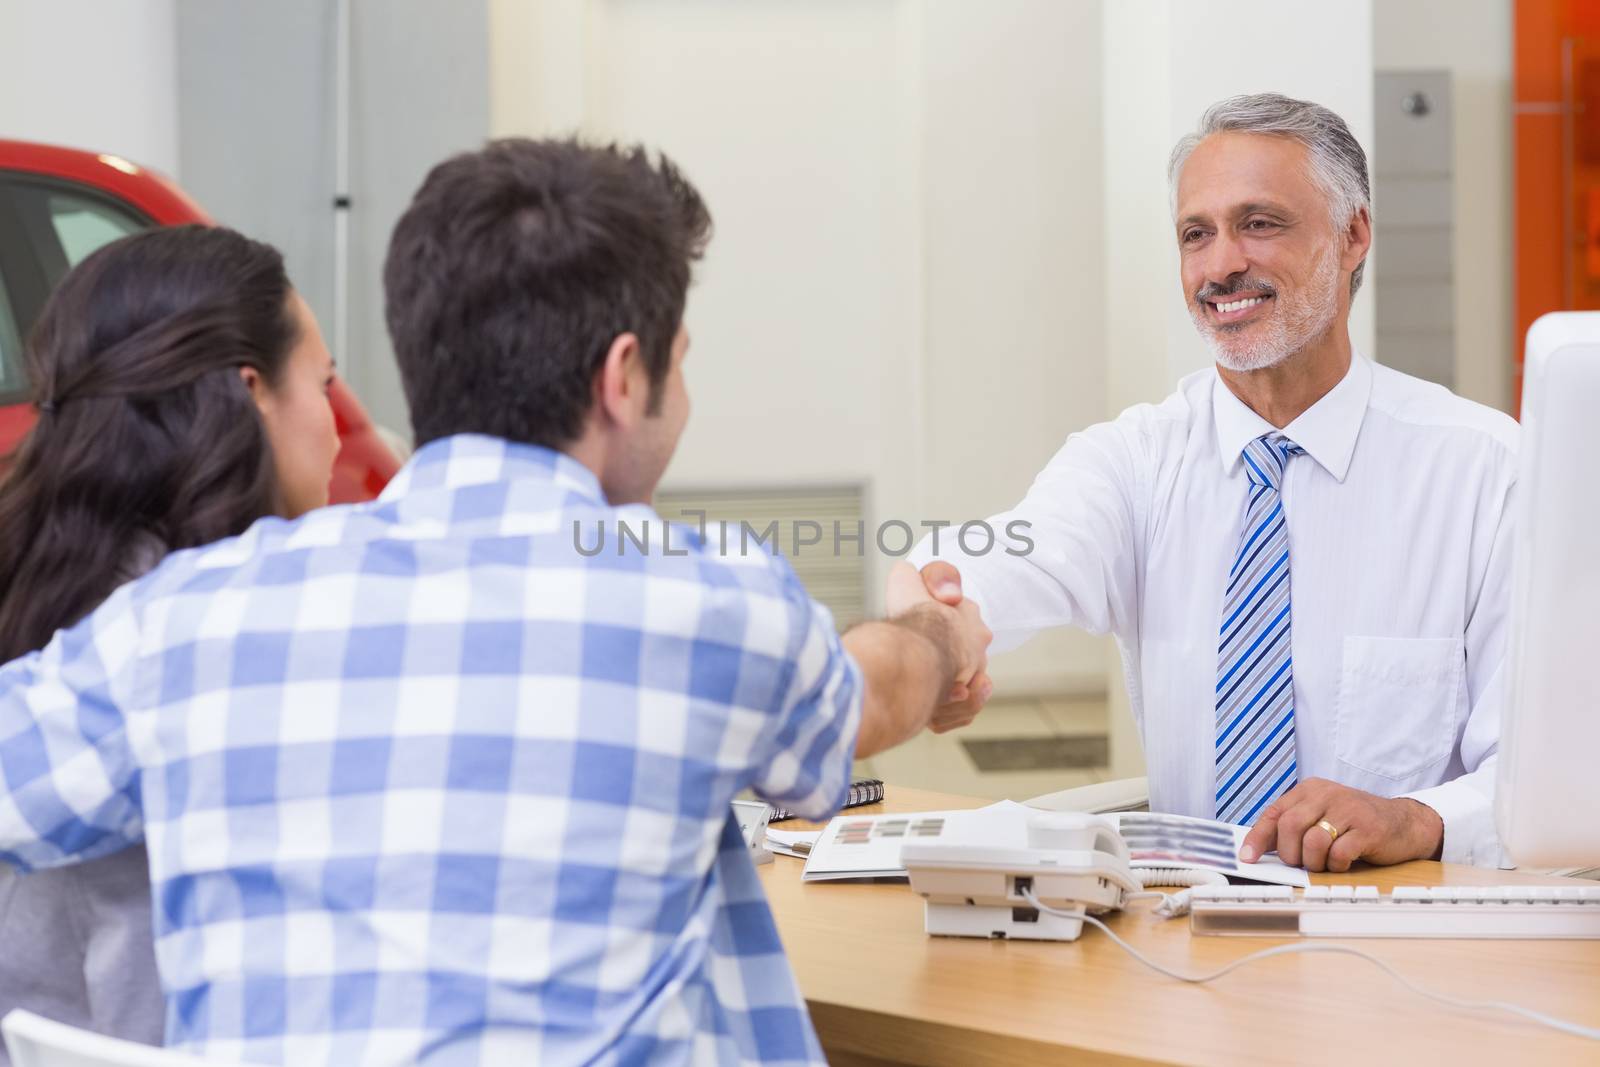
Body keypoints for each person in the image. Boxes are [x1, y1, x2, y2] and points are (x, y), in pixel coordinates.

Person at [0, 140, 990, 1065]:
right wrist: (936, 632)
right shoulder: (703, 599)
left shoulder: (180, 619)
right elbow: (873, 693)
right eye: (678, 364)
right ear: (622, 375)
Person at [910, 93, 1516, 873]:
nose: (1221, 264)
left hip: (1405, 946)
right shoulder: (1134, 461)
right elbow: (1001, 562)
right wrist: (933, 629)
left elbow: (1547, 775)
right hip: (1186, 943)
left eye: (1259, 223)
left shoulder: (1486, 473)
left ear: (1354, 233)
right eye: (1196, 234)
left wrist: (1416, 816)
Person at [0, 224, 340, 1061]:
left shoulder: (39, 592)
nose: (337, 429)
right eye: (325, 385)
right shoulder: (203, 640)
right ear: (254, 391)